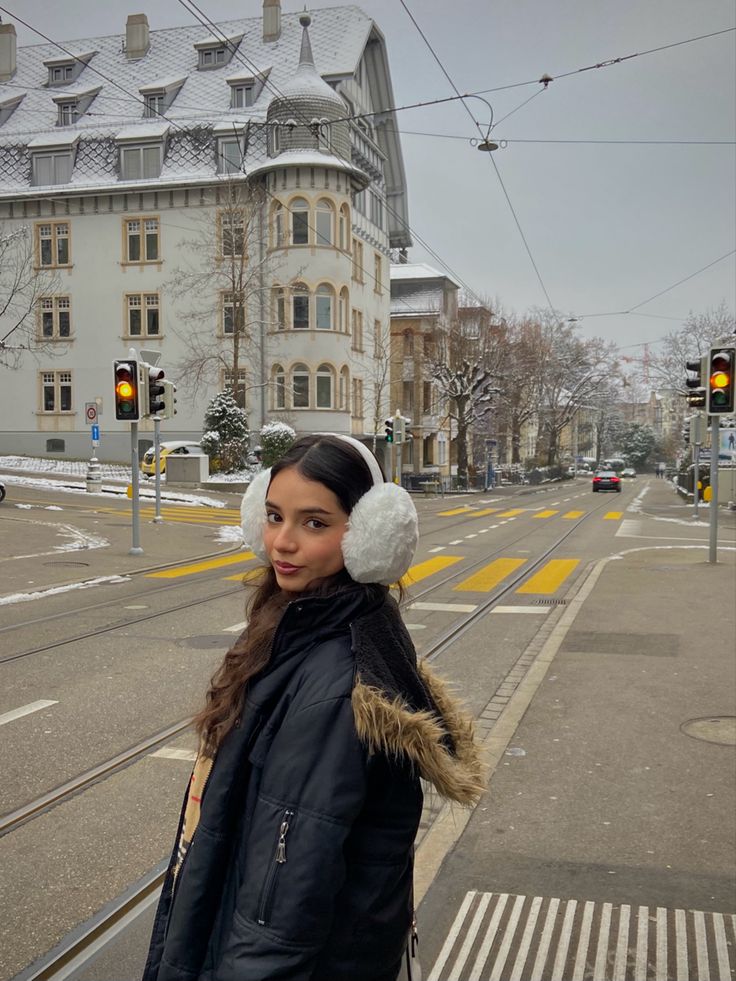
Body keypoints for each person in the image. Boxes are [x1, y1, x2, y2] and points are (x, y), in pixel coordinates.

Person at [142, 434, 485, 981]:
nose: (282, 542)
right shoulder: (303, 627)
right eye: (274, 516)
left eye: (315, 523)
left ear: (368, 537)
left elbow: (282, 906)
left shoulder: (333, 681)